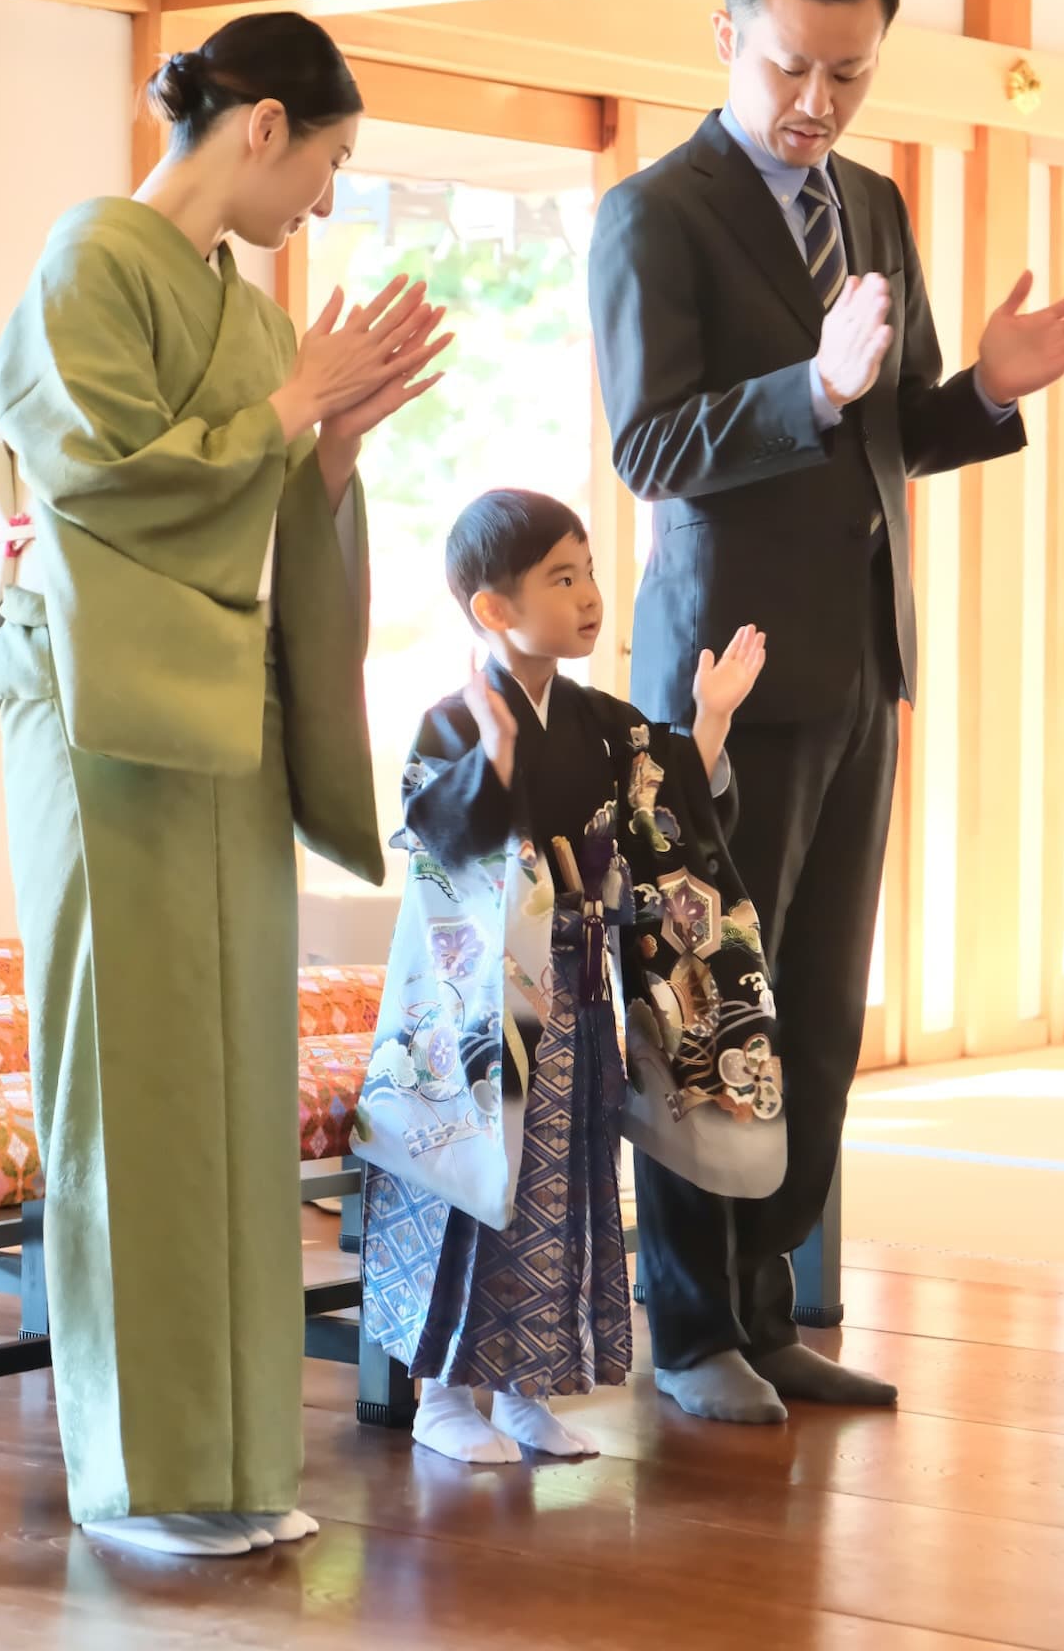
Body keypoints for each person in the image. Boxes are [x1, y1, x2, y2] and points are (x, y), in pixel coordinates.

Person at [587, 0, 1064, 1425]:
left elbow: (889, 430)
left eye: (848, 75)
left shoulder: (872, 205)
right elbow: (651, 446)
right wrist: (808, 384)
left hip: (861, 665)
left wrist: (985, 389)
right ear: (726, 39)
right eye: (790, 69)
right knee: (712, 1008)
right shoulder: (653, 215)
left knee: (817, 1014)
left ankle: (769, 1314)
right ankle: (686, 1330)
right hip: (721, 685)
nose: (816, 104)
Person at [0, 12, 449, 1555]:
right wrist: (284, 417)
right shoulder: (87, 265)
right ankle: (140, 1477)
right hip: (107, 720)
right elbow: (99, 482)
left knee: (233, 1082)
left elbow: (259, 504)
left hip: (223, 724)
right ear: (260, 124)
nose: (321, 202)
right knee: (132, 1083)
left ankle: (241, 1463)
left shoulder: (249, 312)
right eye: (324, 163)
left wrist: (325, 449)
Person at [352, 489, 782, 1464]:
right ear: (493, 609)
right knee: (474, 1193)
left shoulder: (596, 721)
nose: (589, 595)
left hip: (578, 997)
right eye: (562, 576)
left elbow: (659, 804)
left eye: (588, 571)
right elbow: (435, 848)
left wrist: (708, 723)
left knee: (563, 1190)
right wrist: (490, 765)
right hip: (478, 1010)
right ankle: (441, 1395)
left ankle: (518, 1389)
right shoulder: (452, 721)